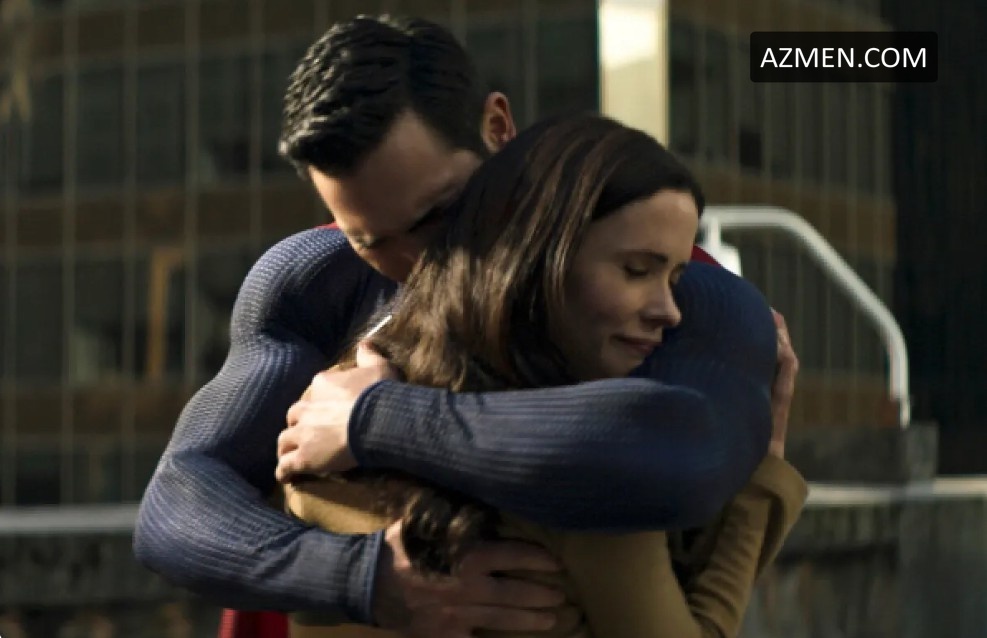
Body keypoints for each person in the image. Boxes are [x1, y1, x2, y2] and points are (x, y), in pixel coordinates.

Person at [133, 15, 799, 638]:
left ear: (498, 129)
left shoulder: (662, 290)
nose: (419, 264)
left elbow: (676, 455)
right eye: (371, 240)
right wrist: (367, 578)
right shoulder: (318, 279)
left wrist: (373, 419)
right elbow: (175, 506)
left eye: (438, 214)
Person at [283, 113, 807, 638]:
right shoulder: (588, 478)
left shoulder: (329, 408)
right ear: (537, 259)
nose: (668, 312)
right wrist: (762, 480)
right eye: (636, 270)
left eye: (674, 278)